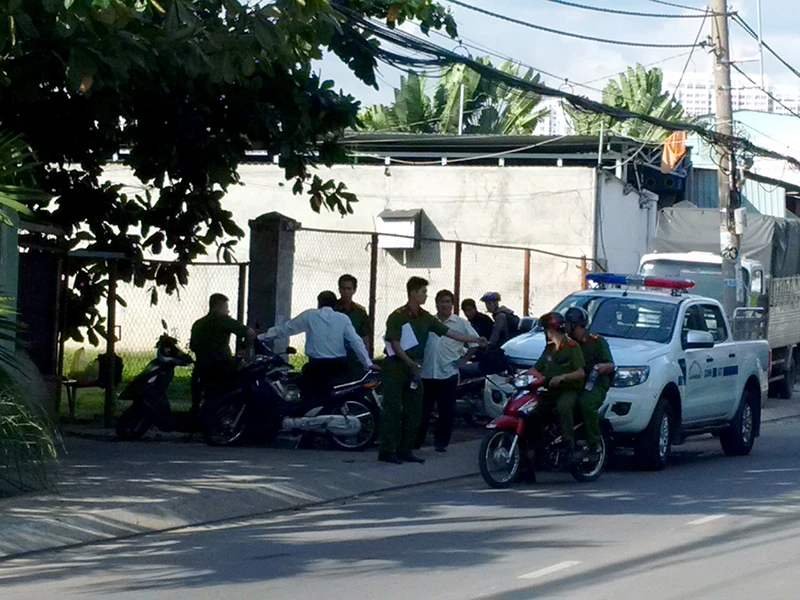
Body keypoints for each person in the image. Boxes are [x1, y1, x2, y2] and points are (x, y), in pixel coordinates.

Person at [380, 277, 487, 465]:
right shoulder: (397, 316)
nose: (425, 295)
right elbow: (394, 344)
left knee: (415, 410)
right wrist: (410, 363)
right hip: (397, 366)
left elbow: (450, 333)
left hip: (415, 368)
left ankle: (406, 449)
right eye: (422, 292)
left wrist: (476, 340)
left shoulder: (426, 317)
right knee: (394, 409)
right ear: (412, 293)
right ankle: (388, 449)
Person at [258, 291, 374, 411]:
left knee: (305, 394)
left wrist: (262, 337)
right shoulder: (343, 319)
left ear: (318, 303)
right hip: (339, 367)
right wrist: (368, 363)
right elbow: (356, 342)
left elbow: (286, 329)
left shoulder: (310, 316)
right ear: (335, 305)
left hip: (316, 367)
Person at [417, 290, 480, 453]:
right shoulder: (428, 321)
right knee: (423, 410)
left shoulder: (461, 324)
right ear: (436, 303)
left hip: (448, 373)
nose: (444, 305)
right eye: (441, 301)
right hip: (428, 373)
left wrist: (464, 360)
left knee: (446, 411)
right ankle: (416, 442)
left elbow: (475, 344)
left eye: (447, 302)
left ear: (452, 305)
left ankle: (441, 443)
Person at [525, 312, 585, 461]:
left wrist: (562, 377)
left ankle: (568, 445)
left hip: (569, 390)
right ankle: (538, 445)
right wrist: (516, 377)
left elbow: (580, 373)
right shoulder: (550, 349)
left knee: (563, 407)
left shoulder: (572, 347)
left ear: (550, 330)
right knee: (531, 409)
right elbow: (536, 369)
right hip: (550, 391)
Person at [190, 293, 256, 412]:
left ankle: (195, 408)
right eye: (226, 307)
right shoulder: (224, 320)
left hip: (202, 368)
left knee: (197, 381)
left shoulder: (198, 324)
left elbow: (193, 346)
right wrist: (243, 349)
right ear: (219, 307)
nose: (228, 310)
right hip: (223, 367)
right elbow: (249, 332)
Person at [564, 307, 615, 454]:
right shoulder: (567, 343)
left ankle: (593, 442)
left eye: (569, 324)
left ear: (577, 325)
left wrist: (599, 368)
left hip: (595, 383)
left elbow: (610, 365)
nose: (566, 327)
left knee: (586, 403)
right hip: (574, 382)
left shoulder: (596, 342)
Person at [335, 274, 373, 376]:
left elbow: (365, 336)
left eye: (349, 289)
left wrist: (366, 358)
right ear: (339, 290)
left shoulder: (360, 312)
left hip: (354, 356)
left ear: (354, 290)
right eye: (343, 288)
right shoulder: (332, 309)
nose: (346, 292)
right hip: (334, 355)